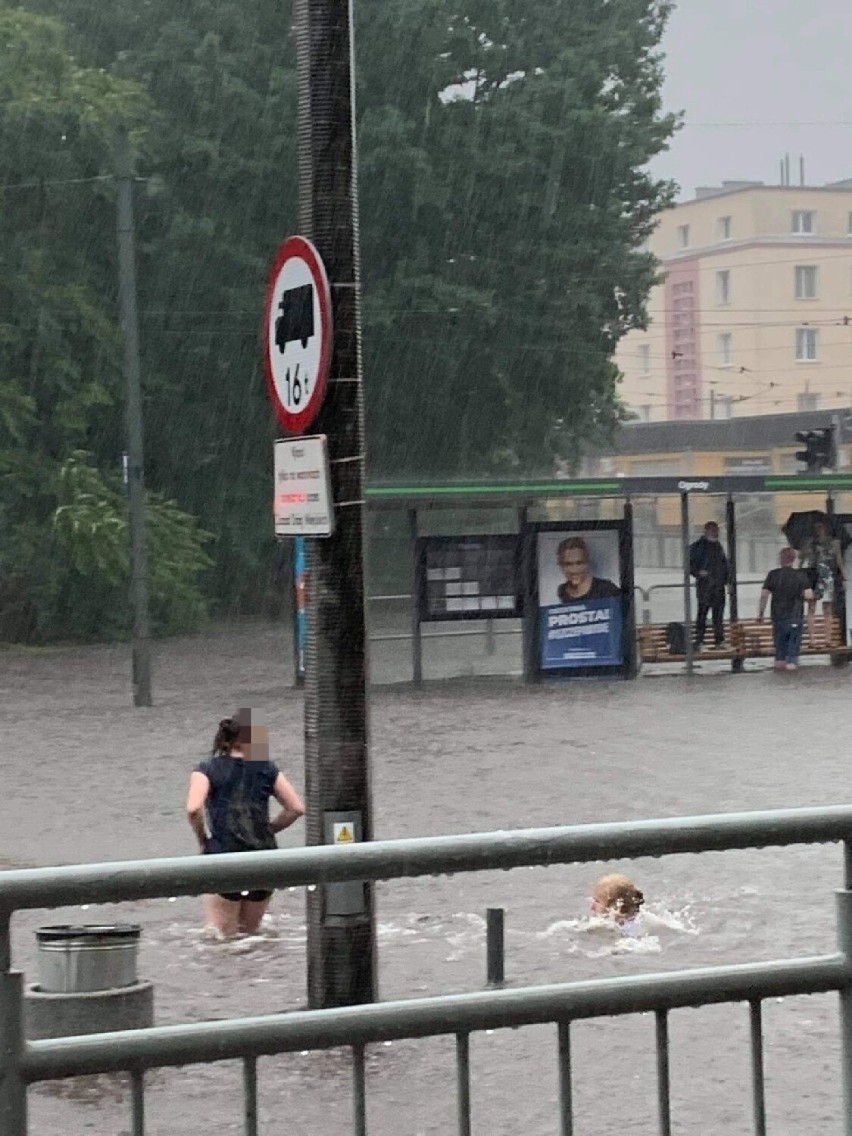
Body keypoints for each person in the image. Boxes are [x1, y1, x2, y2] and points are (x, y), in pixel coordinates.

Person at [186, 709, 305, 937]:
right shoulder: (267, 768)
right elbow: (296, 808)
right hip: (264, 857)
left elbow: (193, 809)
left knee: (223, 939)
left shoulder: (207, 768)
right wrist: (268, 830)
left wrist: (203, 840)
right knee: (251, 937)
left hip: (223, 857)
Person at [758, 548, 815, 672]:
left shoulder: (773, 574)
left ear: (781, 559)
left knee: (780, 654)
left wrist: (760, 613)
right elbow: (809, 596)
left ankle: (780, 681)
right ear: (793, 559)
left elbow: (764, 595)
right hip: (795, 616)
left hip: (778, 618)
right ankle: (792, 683)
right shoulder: (801, 575)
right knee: (792, 655)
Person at [799, 520, 846, 647]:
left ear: (826, 529)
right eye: (816, 528)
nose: (819, 530)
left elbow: (839, 560)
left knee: (827, 608)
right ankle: (812, 639)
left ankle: (828, 639)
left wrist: (844, 578)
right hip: (813, 576)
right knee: (812, 607)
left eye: (821, 527)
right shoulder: (809, 543)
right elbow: (802, 561)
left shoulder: (834, 543)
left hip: (827, 576)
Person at [689, 521, 729, 650]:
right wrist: (698, 572)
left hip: (718, 586)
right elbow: (690, 565)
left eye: (716, 530)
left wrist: (727, 580)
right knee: (702, 614)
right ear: (706, 531)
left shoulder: (718, 546)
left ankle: (719, 640)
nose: (716, 533)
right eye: (713, 530)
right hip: (705, 586)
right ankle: (700, 641)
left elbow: (724, 565)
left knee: (718, 616)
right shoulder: (698, 546)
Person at [556, 536, 620, 603]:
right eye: (568, 564)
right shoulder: (562, 591)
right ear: (561, 566)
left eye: (579, 563)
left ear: (587, 563)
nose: (574, 570)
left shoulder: (606, 589)